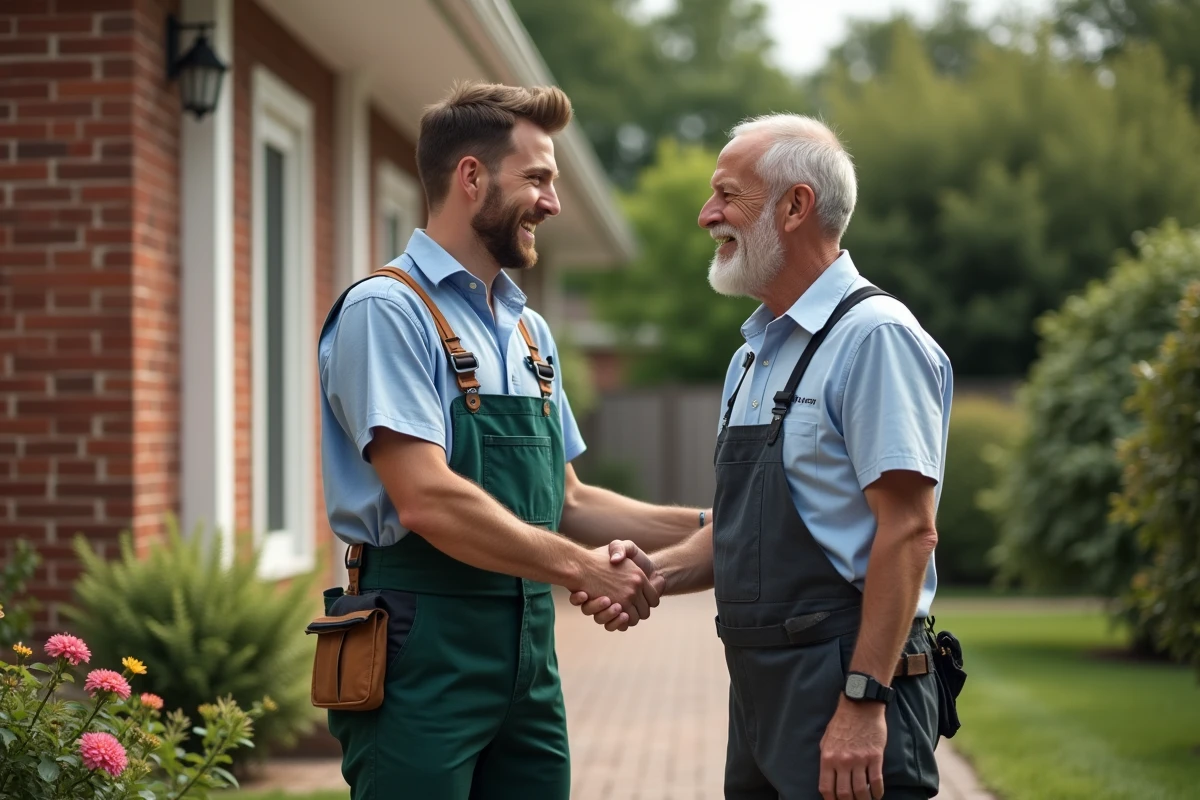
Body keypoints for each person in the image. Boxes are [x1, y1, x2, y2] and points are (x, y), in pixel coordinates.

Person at [316, 81, 706, 800]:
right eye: (537, 178)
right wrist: (585, 571)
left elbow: (567, 500)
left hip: (528, 651)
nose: (552, 202)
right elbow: (428, 499)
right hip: (418, 644)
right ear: (471, 177)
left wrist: (718, 524)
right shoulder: (388, 311)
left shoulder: (530, 333)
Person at [574, 114, 953, 800]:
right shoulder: (752, 356)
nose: (705, 214)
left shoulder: (875, 339)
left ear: (795, 206)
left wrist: (864, 701)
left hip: (848, 681)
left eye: (726, 194)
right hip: (759, 692)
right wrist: (645, 576)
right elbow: (743, 532)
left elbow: (908, 532)